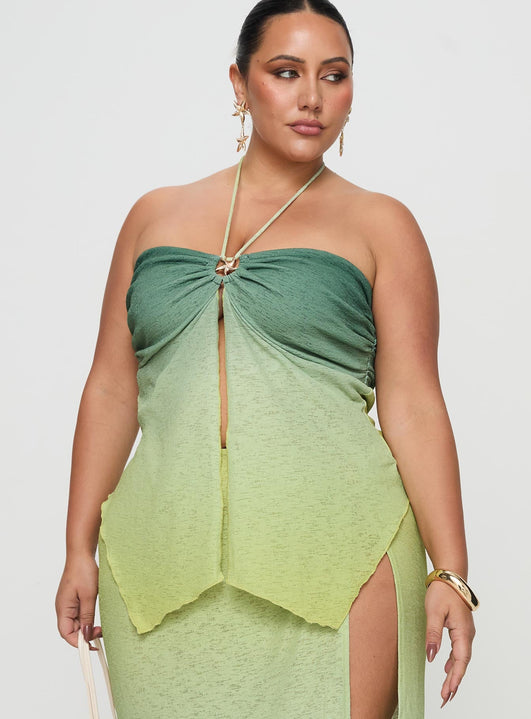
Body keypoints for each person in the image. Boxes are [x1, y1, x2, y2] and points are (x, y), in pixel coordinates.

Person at [55, 1, 478, 717]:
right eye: (286, 72)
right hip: (160, 567)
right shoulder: (154, 217)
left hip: (342, 553)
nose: (312, 96)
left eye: (334, 75)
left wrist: (451, 571)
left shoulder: (381, 225)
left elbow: (412, 403)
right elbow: (111, 388)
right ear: (239, 82)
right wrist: (77, 548)